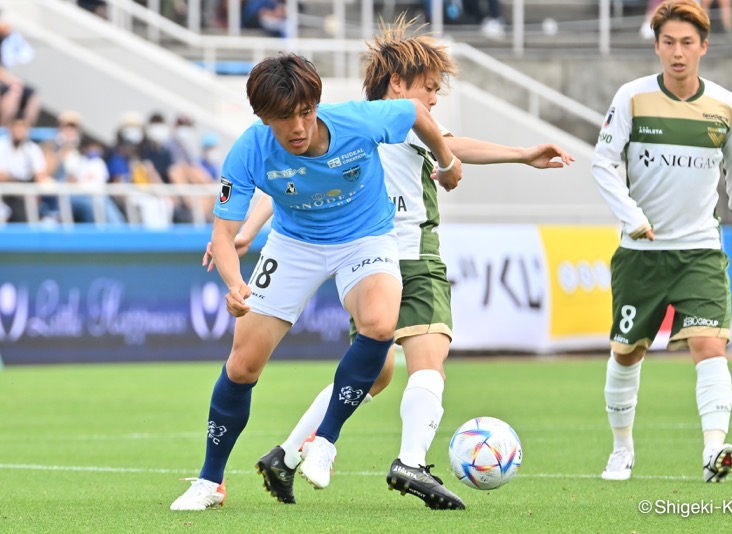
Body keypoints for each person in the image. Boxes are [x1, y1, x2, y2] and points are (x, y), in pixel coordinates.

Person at [204, 16, 574, 510]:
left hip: (368, 250)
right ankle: (405, 461)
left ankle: (293, 452)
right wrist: (511, 154)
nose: (434, 99)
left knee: (378, 370)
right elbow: (296, 182)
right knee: (425, 356)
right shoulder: (379, 117)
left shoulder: (361, 121)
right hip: (399, 250)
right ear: (399, 85)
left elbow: (309, 176)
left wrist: (249, 231)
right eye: (430, 88)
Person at [170, 52, 462, 511]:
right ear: (264, 118)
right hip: (294, 245)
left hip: (365, 237)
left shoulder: (359, 121)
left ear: (317, 105)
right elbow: (222, 236)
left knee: (381, 325)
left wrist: (446, 162)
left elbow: (416, 113)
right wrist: (234, 283)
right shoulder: (249, 149)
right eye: (285, 118)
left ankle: (324, 439)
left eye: (306, 112)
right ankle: (210, 482)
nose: (299, 127)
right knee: (243, 365)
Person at [591, 0, 732, 483]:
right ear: (657, 45)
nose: (677, 52)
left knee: (709, 344)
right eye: (668, 43)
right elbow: (602, 164)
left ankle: (713, 450)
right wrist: (632, 217)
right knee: (626, 352)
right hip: (640, 255)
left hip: (700, 251)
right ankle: (622, 450)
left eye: (687, 43)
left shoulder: (724, 106)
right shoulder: (632, 98)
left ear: (704, 46)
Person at [0, 116, 51, 222]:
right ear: (10, 128)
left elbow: (40, 175)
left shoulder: (32, 149)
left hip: (26, 193)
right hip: (6, 193)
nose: (19, 130)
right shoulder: (2, 146)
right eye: (16, 126)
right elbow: (2, 176)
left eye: (23, 127)